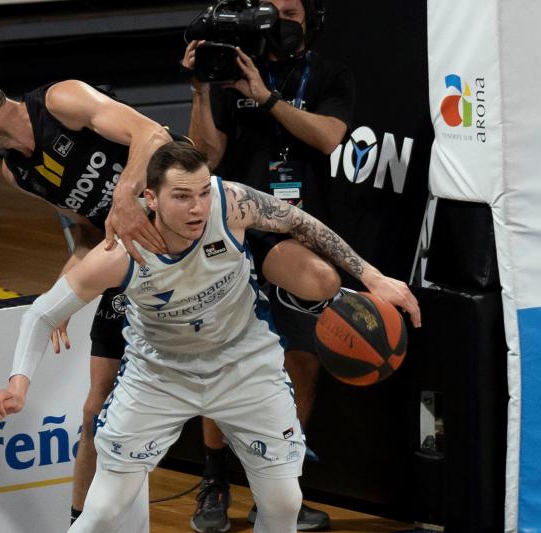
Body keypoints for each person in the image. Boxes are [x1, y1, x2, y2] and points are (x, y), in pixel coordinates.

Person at [0, 55, 338, 526]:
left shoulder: (62, 100)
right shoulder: (16, 172)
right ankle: (88, 519)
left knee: (305, 291)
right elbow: (87, 229)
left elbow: (153, 135)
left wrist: (125, 197)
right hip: (139, 263)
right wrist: (66, 287)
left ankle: (262, 483)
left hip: (197, 228)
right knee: (95, 407)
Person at [0, 142, 420, 533]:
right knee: (103, 513)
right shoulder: (118, 255)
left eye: (203, 192)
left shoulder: (230, 205)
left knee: (284, 505)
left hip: (244, 365)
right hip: (159, 376)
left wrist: (372, 276)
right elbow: (41, 314)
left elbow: (300, 223)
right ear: (150, 198)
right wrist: (18, 383)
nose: (197, 208)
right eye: (182, 196)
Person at [182, 0, 355, 529]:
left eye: (290, 10)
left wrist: (270, 99)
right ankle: (214, 482)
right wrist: (201, 87)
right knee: (220, 356)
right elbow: (204, 155)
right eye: (270, 9)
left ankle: (280, 490)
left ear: (311, 19)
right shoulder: (232, 74)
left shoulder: (330, 74)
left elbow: (330, 136)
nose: (279, 18)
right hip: (235, 229)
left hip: (299, 232)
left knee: (300, 359)